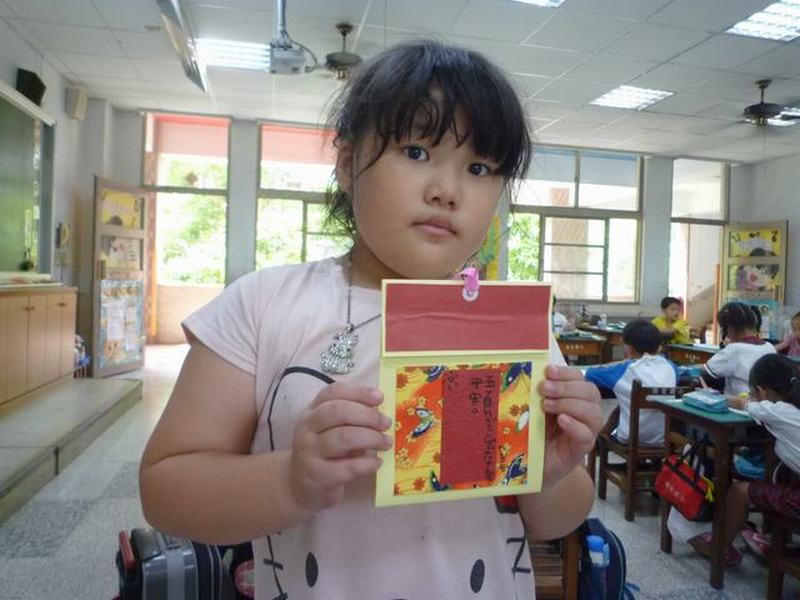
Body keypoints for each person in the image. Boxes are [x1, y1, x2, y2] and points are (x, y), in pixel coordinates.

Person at [138, 41, 603, 599]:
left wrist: (549, 473)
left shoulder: (512, 326)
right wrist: (292, 479)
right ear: (346, 163)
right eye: (415, 151)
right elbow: (165, 490)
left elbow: (556, 520)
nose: (447, 191)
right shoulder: (263, 304)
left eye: (478, 168)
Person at [690, 354, 800, 565]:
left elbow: (742, 403)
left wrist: (711, 394)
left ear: (760, 391)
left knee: (739, 491)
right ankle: (773, 539)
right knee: (781, 475)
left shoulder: (776, 411)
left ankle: (719, 549)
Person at [584, 319, 677, 446]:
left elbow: (590, 374)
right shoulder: (671, 366)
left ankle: (599, 440)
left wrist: (620, 363)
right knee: (627, 403)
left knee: (627, 403)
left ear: (630, 349)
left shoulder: (626, 369)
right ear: (658, 347)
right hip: (661, 439)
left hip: (629, 437)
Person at [702, 302, 775, 396]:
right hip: (763, 401)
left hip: (737, 401)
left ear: (730, 328)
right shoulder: (769, 347)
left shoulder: (734, 349)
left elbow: (706, 371)